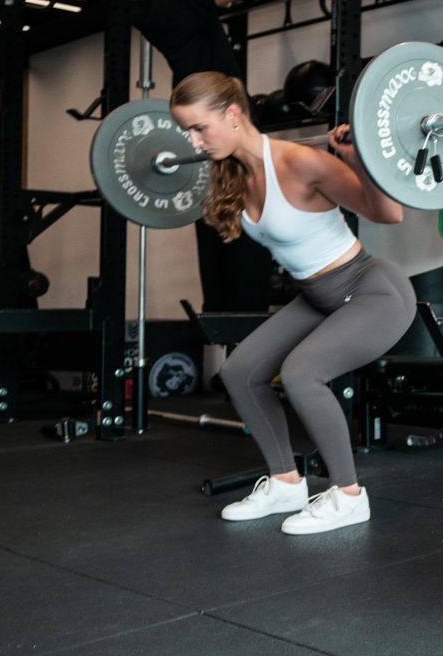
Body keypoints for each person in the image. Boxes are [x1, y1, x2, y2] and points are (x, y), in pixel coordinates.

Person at [168, 71, 416, 535]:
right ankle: (286, 483)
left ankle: (348, 496)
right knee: (241, 372)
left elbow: (390, 213)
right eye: (187, 131)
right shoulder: (233, 174)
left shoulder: (301, 163)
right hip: (318, 297)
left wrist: (361, 161)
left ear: (233, 114)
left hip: (370, 290)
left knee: (303, 373)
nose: (194, 141)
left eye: (199, 127)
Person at [128, 0, 273, 313]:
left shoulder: (154, 9)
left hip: (204, 128)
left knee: (219, 224)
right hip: (222, 124)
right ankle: (245, 325)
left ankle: (226, 321)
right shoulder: (183, 1)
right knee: (246, 228)